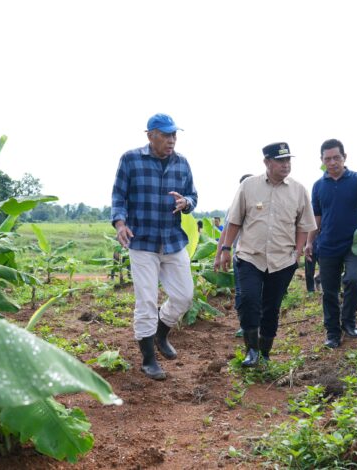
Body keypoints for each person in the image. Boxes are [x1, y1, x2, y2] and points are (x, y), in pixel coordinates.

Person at [111, 113, 198, 380]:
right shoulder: (131, 159)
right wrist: (120, 224)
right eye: (166, 135)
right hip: (142, 241)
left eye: (174, 135)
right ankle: (148, 359)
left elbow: (193, 195)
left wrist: (186, 203)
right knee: (146, 300)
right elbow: (118, 196)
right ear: (151, 136)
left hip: (172, 240)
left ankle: (161, 334)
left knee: (184, 296)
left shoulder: (182, 163)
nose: (171, 140)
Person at [214, 142, 316, 366]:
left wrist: (297, 252)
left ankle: (265, 352)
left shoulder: (299, 190)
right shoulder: (249, 186)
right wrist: (225, 249)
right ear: (267, 162)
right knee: (248, 300)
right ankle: (251, 350)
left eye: (288, 160)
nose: (285, 164)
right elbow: (234, 220)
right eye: (280, 160)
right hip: (250, 256)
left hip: (282, 260)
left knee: (271, 307)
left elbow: (304, 225)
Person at [306, 139, 357, 348]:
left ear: (344, 157)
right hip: (327, 244)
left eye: (336, 157)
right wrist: (309, 242)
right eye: (327, 159)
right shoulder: (318, 186)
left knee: (353, 279)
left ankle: (349, 322)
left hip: (355, 244)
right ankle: (333, 332)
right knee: (330, 291)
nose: (332, 162)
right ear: (321, 160)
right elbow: (316, 217)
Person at [215, 173, 254, 338]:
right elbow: (224, 233)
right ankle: (245, 324)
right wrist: (219, 255)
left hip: (262, 256)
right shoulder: (233, 208)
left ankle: (259, 324)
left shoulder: (265, 204)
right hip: (241, 255)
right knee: (241, 292)